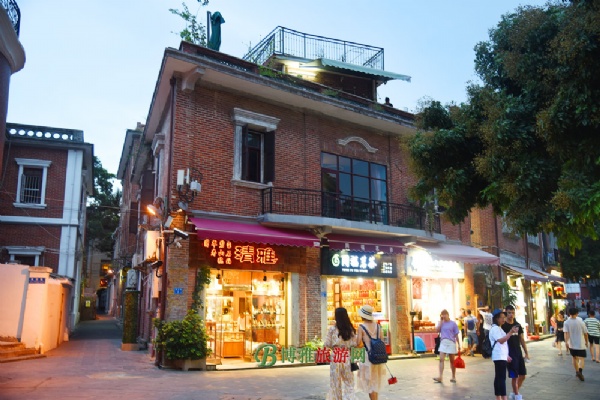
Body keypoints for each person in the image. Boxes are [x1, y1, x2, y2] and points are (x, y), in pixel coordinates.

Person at [324, 307, 357, 400]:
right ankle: (349, 398)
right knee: (349, 382)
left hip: (336, 356)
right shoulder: (350, 330)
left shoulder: (332, 329)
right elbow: (354, 344)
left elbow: (327, 344)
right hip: (347, 355)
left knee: (335, 383)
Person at [355, 305, 385, 400]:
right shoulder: (378, 326)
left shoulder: (361, 327)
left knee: (369, 382)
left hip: (368, 357)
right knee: (375, 381)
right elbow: (382, 340)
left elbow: (358, 343)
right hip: (378, 356)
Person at [490, 309, 520, 400]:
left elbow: (503, 343)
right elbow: (501, 341)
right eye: (501, 318)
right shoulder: (495, 329)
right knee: (501, 378)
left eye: (504, 317)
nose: (503, 319)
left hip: (501, 356)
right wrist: (510, 332)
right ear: (496, 318)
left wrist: (506, 356)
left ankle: (499, 397)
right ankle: (503, 397)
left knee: (499, 378)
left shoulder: (499, 328)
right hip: (498, 356)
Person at [502, 305, 530, 400]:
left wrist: (526, 352)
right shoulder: (503, 326)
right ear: (506, 313)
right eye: (509, 313)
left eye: (512, 313)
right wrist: (505, 355)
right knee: (515, 376)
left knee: (523, 375)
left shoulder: (517, 325)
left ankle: (514, 393)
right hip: (509, 353)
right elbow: (502, 341)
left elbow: (521, 339)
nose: (511, 315)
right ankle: (517, 396)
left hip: (518, 352)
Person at [433, 309, 460, 383]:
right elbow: (437, 330)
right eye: (442, 314)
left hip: (451, 342)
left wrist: (459, 344)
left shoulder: (453, 323)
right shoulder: (441, 323)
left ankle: (453, 376)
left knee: (452, 361)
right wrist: (441, 322)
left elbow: (456, 334)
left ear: (448, 315)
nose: (444, 316)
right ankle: (440, 376)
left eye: (445, 314)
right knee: (441, 359)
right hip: (443, 342)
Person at [563, 307, 589, 381]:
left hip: (571, 344)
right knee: (581, 358)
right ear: (577, 313)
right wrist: (586, 342)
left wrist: (566, 343)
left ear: (569, 313)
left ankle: (577, 371)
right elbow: (585, 333)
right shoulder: (581, 322)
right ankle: (580, 372)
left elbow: (566, 333)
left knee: (574, 358)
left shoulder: (566, 322)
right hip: (581, 343)